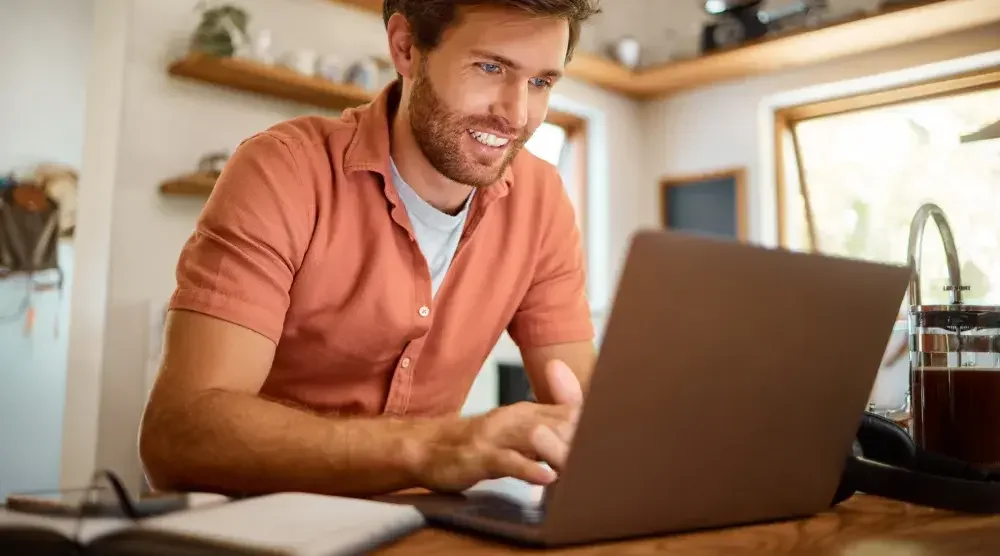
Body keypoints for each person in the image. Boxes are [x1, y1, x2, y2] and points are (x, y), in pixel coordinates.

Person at [138, 0, 602, 498]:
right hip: (259, 529)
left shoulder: (543, 201)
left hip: (420, 533)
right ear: (405, 47)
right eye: (490, 67)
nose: (517, 113)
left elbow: (590, 418)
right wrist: (436, 447)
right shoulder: (283, 171)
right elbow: (177, 437)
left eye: (541, 83)